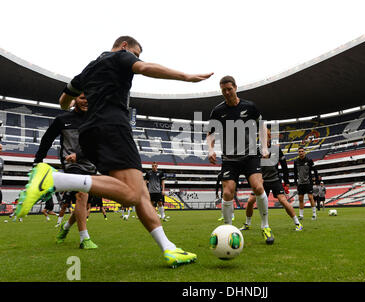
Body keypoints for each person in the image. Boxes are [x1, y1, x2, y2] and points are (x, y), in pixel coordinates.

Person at [15, 36, 212, 267]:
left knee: (140, 193)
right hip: (113, 126)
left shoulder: (88, 69)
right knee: (130, 195)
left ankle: (168, 248)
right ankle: (55, 179)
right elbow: (145, 68)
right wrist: (186, 77)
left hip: (89, 132)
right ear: (125, 46)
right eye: (135, 54)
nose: (135, 59)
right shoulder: (120, 55)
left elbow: (62, 101)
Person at [207, 75, 274, 244]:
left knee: (258, 187)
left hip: (250, 155)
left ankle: (265, 226)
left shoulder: (249, 107)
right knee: (228, 192)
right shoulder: (218, 111)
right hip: (230, 158)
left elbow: (263, 126)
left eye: (229, 89)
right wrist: (210, 149)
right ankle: (228, 231)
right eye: (224, 90)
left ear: (235, 87)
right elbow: (210, 133)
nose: (227, 93)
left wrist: (265, 147)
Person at [30, 93, 98, 249]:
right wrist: (37, 162)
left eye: (89, 97)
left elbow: (98, 144)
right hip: (71, 165)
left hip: (91, 164)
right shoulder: (62, 120)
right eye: (82, 97)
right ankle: (84, 239)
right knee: (82, 194)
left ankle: (65, 228)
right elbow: (46, 140)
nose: (86, 100)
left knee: (83, 201)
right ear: (74, 100)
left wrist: (79, 155)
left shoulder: (96, 120)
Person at [240, 129, 302, 231]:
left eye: (266, 137)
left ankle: (298, 223)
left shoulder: (276, 150)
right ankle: (247, 224)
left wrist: (286, 182)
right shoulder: (256, 150)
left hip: (275, 180)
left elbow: (284, 166)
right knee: (250, 201)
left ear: (269, 138)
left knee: (283, 200)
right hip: (261, 181)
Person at [293, 147, 319, 220]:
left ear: (304, 152)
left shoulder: (309, 160)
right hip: (300, 183)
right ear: (298, 153)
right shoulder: (296, 161)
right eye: (299, 151)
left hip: (308, 182)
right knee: (301, 199)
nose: (301, 153)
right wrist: (295, 181)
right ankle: (301, 216)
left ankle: (314, 214)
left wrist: (316, 180)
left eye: (302, 151)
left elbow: (315, 170)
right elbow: (295, 172)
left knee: (311, 198)